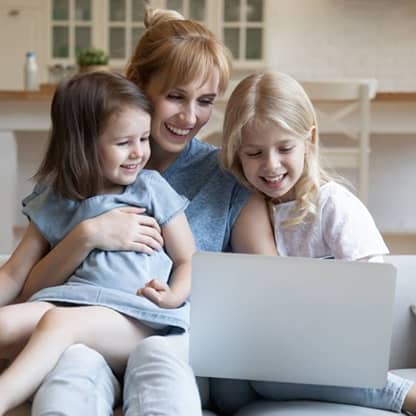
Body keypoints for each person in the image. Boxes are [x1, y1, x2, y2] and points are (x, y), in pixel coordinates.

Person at [13, 4, 277, 416]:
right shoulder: (80, 171)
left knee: (154, 354)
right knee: (74, 364)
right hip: (79, 336)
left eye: (206, 101)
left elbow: (271, 287)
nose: (191, 117)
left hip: (169, 341)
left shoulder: (226, 176)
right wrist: (87, 235)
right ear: (137, 85)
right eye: (175, 97)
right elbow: (26, 285)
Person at [210, 70, 416, 415]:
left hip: (330, 351)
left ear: (309, 140)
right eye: (254, 153)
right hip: (267, 347)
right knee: (227, 388)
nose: (271, 165)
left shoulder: (333, 204)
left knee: (268, 380)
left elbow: (371, 292)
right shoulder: (245, 209)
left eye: (284, 148)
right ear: (236, 153)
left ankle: (400, 394)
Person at [0, 71, 196, 415]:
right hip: (67, 306)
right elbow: (19, 279)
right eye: (123, 143)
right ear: (82, 144)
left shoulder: (150, 188)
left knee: (58, 323)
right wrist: (87, 236)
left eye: (144, 139)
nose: (139, 153)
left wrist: (174, 295)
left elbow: (189, 259)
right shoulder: (56, 198)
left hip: (136, 317)